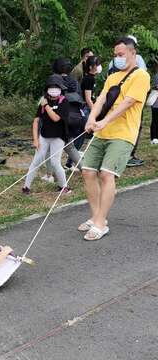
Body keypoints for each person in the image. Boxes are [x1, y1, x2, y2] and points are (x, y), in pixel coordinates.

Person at [80, 37, 150, 241]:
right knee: (87, 172)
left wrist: (105, 121)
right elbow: (101, 99)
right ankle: (95, 217)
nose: (117, 59)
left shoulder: (141, 76)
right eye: (115, 56)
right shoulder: (112, 77)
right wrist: (91, 119)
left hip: (123, 133)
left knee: (106, 174)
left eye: (120, 55)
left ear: (132, 53)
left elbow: (127, 103)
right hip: (102, 132)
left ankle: (101, 223)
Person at [22, 74, 72, 195]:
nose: (54, 89)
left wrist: (46, 106)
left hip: (58, 137)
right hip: (44, 136)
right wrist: (35, 139)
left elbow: (55, 118)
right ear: (47, 89)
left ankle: (63, 187)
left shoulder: (64, 102)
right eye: (51, 87)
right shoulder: (43, 100)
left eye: (57, 86)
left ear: (61, 88)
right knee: (36, 161)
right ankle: (26, 187)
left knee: (55, 162)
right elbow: (36, 120)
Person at [108, 35, 147, 167]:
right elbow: (142, 76)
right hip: (130, 100)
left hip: (113, 100)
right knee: (134, 126)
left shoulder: (113, 61)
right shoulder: (138, 60)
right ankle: (129, 155)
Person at [150, 63, 158, 144]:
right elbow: (155, 86)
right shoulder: (156, 76)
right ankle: (154, 138)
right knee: (155, 120)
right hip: (156, 103)